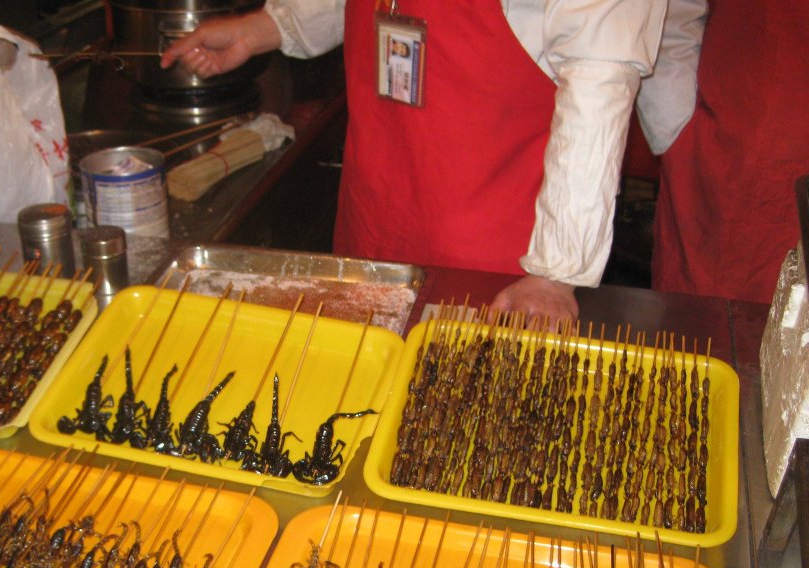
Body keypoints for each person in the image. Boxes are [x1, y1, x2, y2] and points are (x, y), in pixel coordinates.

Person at [161, 1, 671, 325]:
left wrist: (556, 272)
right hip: (375, 217)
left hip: (496, 265)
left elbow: (599, 83)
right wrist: (265, 27)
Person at [643, 0, 809, 305]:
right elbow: (672, 10)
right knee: (708, 334)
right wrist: (673, 128)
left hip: (753, 155)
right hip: (737, 170)